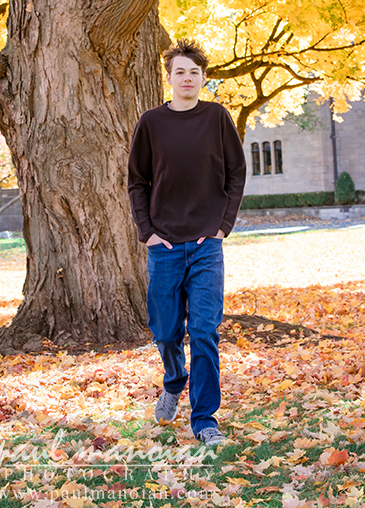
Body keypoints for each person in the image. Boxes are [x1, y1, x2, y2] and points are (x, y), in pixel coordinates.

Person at [128, 39, 246, 446]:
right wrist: (149, 233)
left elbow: (236, 173)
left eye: (194, 72)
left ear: (203, 78)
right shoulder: (151, 123)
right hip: (164, 246)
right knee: (165, 330)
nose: (187, 78)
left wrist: (222, 226)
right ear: (169, 78)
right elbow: (136, 182)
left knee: (204, 330)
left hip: (206, 244)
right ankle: (174, 380)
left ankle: (204, 420)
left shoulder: (216, 117)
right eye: (180, 71)